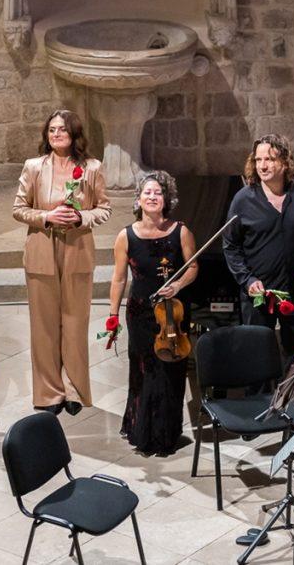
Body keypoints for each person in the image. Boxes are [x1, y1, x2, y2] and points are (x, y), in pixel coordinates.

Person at [13, 110, 111, 416]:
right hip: (41, 248)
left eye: (62, 130)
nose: (56, 134)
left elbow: (104, 209)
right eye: (52, 130)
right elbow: (19, 208)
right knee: (43, 326)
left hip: (77, 249)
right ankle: (48, 392)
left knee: (75, 323)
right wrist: (47, 216)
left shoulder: (92, 167)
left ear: (74, 134)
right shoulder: (33, 167)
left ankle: (74, 389)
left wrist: (81, 217)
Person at [222, 134, 294, 373]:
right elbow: (230, 246)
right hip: (258, 294)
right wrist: (247, 279)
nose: (263, 165)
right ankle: (260, 398)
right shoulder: (243, 200)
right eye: (258, 160)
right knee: (256, 360)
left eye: (270, 159)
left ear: (285, 162)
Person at [108, 171, 197, 455]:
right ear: (138, 199)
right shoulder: (125, 236)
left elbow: (193, 267)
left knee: (171, 370)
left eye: (158, 192)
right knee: (143, 371)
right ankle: (143, 432)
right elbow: (119, 279)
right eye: (147, 192)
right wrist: (112, 314)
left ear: (166, 199)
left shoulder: (181, 231)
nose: (152, 197)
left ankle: (166, 433)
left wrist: (178, 285)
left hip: (174, 312)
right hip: (141, 313)